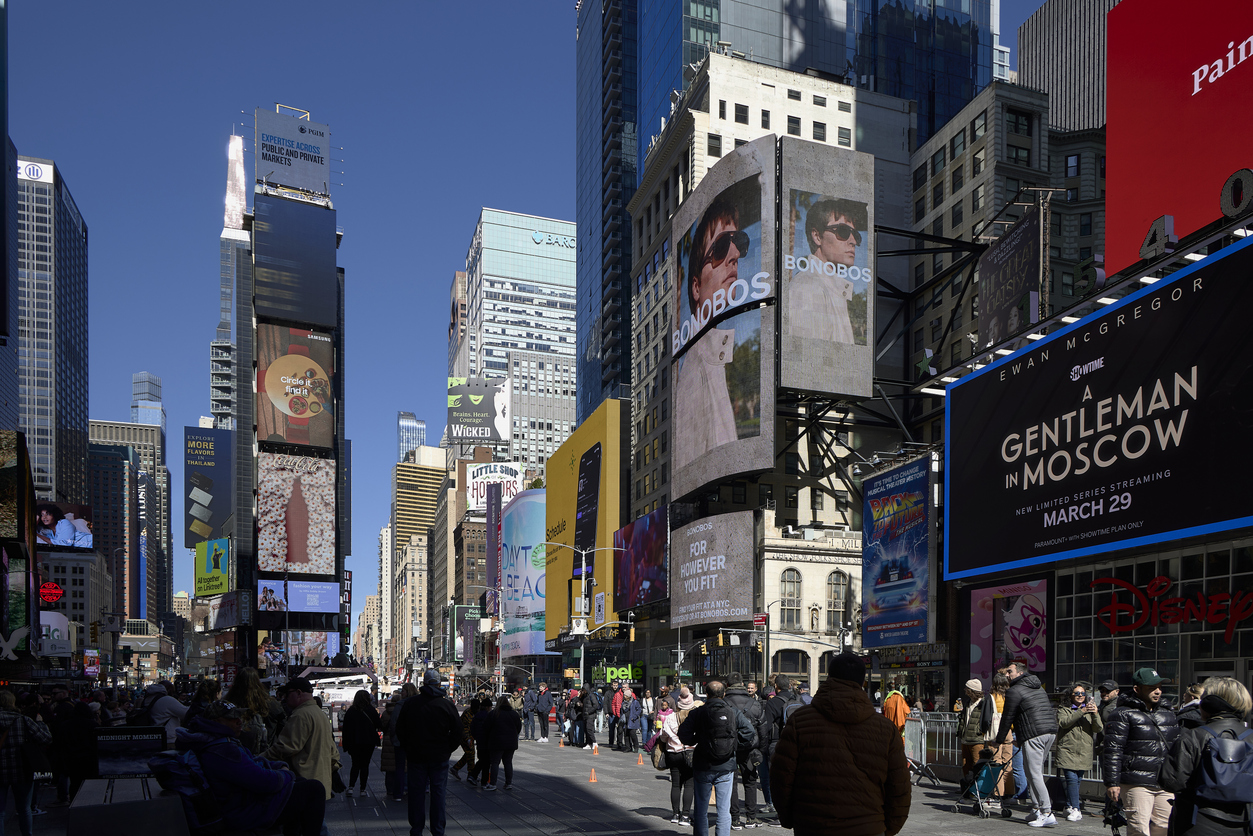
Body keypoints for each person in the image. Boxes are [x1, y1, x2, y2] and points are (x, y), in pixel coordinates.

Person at [771, 652, 911, 836]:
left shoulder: (800, 721)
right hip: (868, 826)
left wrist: (790, 818)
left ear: (829, 677)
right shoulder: (885, 729)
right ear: (862, 682)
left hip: (813, 825)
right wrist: (887, 828)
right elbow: (899, 787)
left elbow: (781, 777)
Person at [178, 700, 325, 836]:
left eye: (239, 716)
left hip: (239, 805)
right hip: (241, 813)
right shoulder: (224, 750)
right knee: (314, 789)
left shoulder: (215, 742)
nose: (239, 721)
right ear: (217, 722)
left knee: (300, 785)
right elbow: (265, 782)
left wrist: (279, 767)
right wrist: (286, 773)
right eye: (232, 718)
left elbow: (253, 763)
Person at [674, 195, 747, 467]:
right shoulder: (696, 371)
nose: (735, 255)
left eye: (739, 242)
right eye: (721, 247)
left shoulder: (713, 360)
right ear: (696, 287)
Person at [1161, 677, 1253, 836]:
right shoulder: (1251, 738)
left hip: (1195, 823)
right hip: (1245, 823)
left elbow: (1170, 781)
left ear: (1210, 704)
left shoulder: (1193, 737)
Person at [1101, 667, 1181, 836]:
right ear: (1137, 689)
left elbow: (1176, 747)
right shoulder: (1122, 714)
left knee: (1165, 827)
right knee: (1139, 828)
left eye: (1159, 687)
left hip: (1165, 781)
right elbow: (1113, 750)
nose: (1158, 691)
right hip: (1136, 781)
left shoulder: (1168, 713)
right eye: (1152, 688)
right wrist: (1112, 782)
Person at [678, 680, 757, 836]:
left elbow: (683, 734)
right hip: (726, 764)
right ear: (724, 694)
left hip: (703, 764)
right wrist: (734, 745)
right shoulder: (733, 711)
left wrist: (696, 740)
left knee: (701, 809)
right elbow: (749, 732)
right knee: (724, 809)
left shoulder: (698, 712)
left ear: (707, 694)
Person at [395, 669, 464, 836]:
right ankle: (438, 830)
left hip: (416, 756)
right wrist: (447, 749)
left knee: (416, 794)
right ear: (439, 684)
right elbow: (458, 731)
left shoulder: (411, 704)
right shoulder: (446, 705)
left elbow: (400, 729)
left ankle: (416, 829)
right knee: (438, 794)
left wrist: (408, 747)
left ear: (424, 683)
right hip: (439, 757)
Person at [789, 199, 867, 343]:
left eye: (856, 235)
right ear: (817, 236)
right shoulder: (808, 288)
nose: (853, 241)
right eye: (843, 231)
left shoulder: (830, 290)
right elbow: (807, 355)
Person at [993, 661, 1059, 827]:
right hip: (1049, 732)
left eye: (1010, 671)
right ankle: (1036, 809)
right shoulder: (1037, 686)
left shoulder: (1014, 690)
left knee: (1034, 773)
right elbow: (1027, 713)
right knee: (1031, 772)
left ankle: (1047, 812)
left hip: (1035, 734)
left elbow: (1008, 717)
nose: (1007, 674)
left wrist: (999, 740)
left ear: (1020, 673)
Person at [263, 677, 341, 803]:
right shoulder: (319, 713)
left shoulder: (301, 715)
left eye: (287, 694)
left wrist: (260, 758)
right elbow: (333, 751)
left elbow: (286, 747)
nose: (285, 698)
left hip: (303, 782)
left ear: (298, 693)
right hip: (320, 783)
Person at [0, 690, 52, 836]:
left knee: (0, 811)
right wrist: (41, 723)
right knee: (24, 808)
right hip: (22, 769)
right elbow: (46, 738)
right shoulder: (23, 720)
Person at [1055, 682, 1103, 822]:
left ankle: (1069, 805)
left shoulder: (1090, 710)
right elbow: (1064, 723)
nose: (1080, 695)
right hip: (1068, 750)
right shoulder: (1064, 709)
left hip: (1083, 750)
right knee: (1071, 778)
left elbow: (1098, 728)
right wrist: (1081, 711)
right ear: (1070, 695)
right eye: (1077, 693)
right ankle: (1076, 809)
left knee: (1077, 780)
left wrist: (1095, 714)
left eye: (1083, 693)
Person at [724, 672, 765, 829]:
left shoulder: (724, 703)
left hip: (730, 748)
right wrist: (761, 750)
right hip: (750, 747)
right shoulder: (754, 703)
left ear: (727, 685)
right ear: (742, 684)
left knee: (731, 783)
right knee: (750, 782)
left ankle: (735, 819)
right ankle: (751, 817)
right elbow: (763, 730)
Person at [225, 666, 285, 754]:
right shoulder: (271, 704)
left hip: (234, 752)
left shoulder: (229, 704)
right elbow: (283, 731)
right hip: (265, 754)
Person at [661, 687, 698, 825]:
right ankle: (685, 816)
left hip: (673, 753)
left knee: (676, 785)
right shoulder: (695, 717)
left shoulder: (670, 717)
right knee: (689, 785)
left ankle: (675, 814)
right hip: (690, 752)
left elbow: (663, 736)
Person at [341, 690, 382, 798]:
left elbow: (346, 729)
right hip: (368, 741)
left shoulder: (351, 711)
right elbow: (378, 724)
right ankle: (363, 789)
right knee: (365, 765)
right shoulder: (371, 710)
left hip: (354, 742)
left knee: (355, 764)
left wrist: (346, 744)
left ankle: (351, 787)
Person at [957, 679, 1000, 781]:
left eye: (967, 688)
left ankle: (977, 786)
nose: (965, 690)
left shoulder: (983, 703)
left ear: (971, 690)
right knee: (965, 765)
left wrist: (980, 732)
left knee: (977, 765)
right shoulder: (967, 703)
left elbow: (986, 720)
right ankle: (967, 786)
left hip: (977, 739)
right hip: (965, 739)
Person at [484, 695, 521, 791]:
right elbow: (518, 727)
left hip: (497, 742)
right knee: (508, 763)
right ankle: (508, 783)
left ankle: (493, 783)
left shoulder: (494, 713)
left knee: (495, 763)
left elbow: (486, 728)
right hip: (511, 742)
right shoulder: (514, 714)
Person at [140, 680, 190, 748]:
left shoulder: (147, 700)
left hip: (154, 738)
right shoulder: (166, 700)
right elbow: (186, 713)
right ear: (168, 690)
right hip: (169, 739)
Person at [622, 688, 644, 754]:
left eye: (625, 695)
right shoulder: (623, 703)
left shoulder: (635, 702)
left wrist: (634, 716)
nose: (624, 696)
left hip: (632, 720)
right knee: (626, 735)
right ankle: (628, 747)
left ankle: (636, 747)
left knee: (633, 734)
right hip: (625, 720)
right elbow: (622, 711)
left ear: (628, 696)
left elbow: (639, 710)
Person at [580, 685, 599, 751]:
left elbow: (596, 705)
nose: (583, 691)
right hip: (586, 715)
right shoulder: (585, 696)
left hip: (590, 715)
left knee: (589, 729)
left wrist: (589, 711)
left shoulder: (591, 695)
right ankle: (588, 743)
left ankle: (594, 742)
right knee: (586, 730)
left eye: (583, 690)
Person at [610, 682, 624, 750]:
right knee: (619, 730)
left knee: (627, 731)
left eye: (625, 687)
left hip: (627, 714)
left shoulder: (630, 694)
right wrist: (615, 713)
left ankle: (628, 745)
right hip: (618, 714)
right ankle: (619, 743)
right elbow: (613, 704)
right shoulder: (617, 694)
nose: (624, 688)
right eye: (623, 687)